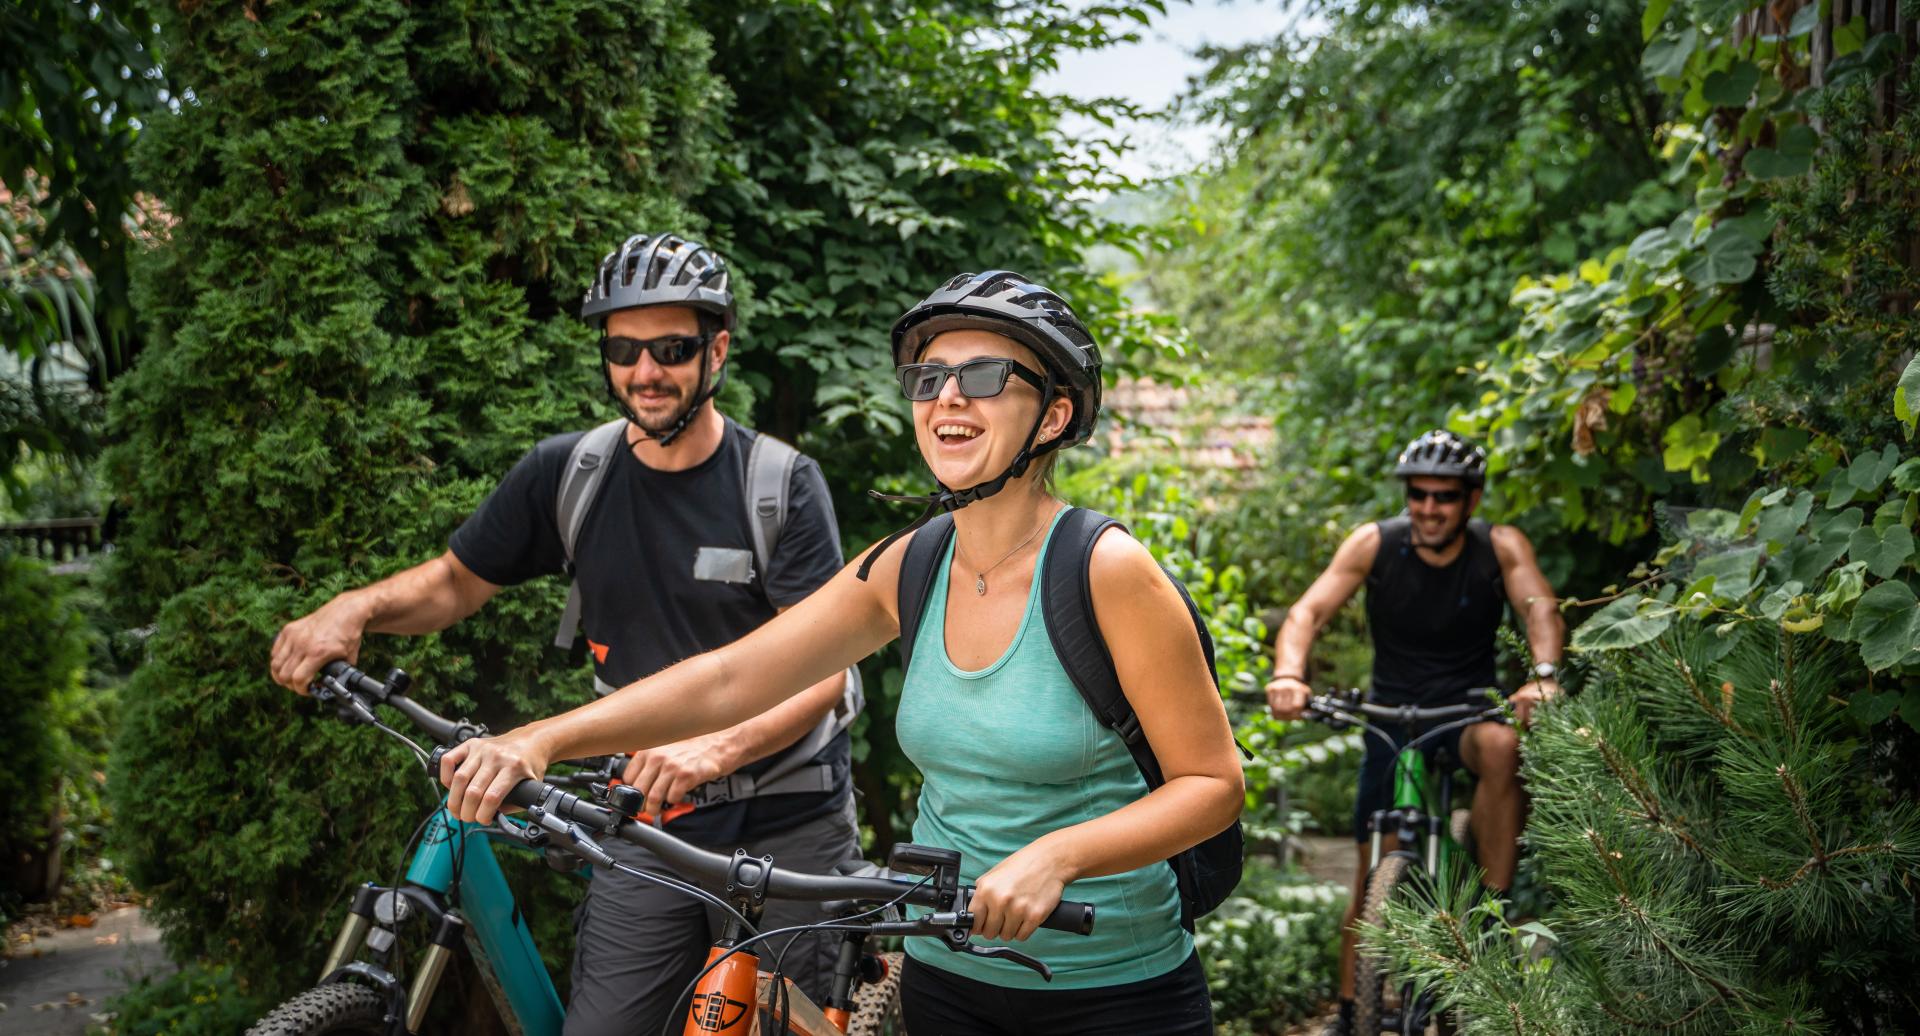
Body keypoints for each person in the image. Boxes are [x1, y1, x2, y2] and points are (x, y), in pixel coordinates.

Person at [437, 270, 1246, 1036]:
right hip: (946, 970)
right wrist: (541, 737)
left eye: (988, 376)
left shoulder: (1105, 569)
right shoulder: (911, 563)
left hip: (1111, 983)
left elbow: (1212, 785)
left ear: (1056, 416)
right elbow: (732, 675)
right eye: (929, 380)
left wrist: (1059, 856)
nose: (949, 398)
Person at [269, 233, 861, 1036]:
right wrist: (354, 609)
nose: (645, 371)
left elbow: (823, 671)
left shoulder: (780, 485)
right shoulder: (570, 474)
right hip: (646, 829)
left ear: (716, 349)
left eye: (672, 347)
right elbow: (453, 583)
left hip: (787, 826)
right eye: (623, 348)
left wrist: (713, 749)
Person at [1262, 429, 1563, 1034]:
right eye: (1418, 494)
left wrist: (1545, 677)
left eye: (1444, 497)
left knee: (1504, 745)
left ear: (1470, 501)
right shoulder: (1376, 544)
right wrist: (1289, 673)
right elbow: (1308, 611)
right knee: (1374, 867)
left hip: (1466, 713)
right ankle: (1352, 1011)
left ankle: (1493, 914)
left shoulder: (1498, 547)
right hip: (1390, 716)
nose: (1428, 508)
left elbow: (1541, 611)